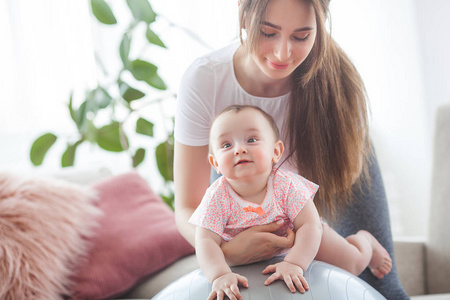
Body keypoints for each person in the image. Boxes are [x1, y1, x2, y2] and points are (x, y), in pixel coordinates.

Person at [174, 0, 409, 298]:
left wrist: (299, 254)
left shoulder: (338, 86)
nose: (283, 53)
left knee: (379, 284)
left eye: (301, 37)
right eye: (268, 32)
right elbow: (187, 207)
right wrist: (227, 252)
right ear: (244, 16)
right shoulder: (205, 79)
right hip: (242, 186)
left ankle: (364, 245)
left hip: (318, 177)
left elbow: (314, 221)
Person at [190, 105, 392, 300]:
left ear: (276, 151)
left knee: (352, 264)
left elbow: (309, 225)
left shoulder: (285, 184)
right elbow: (206, 241)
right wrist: (219, 275)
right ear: (215, 163)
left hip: (303, 238)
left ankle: (365, 242)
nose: (239, 149)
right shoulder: (216, 197)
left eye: (251, 140)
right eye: (227, 145)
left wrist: (295, 263)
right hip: (248, 252)